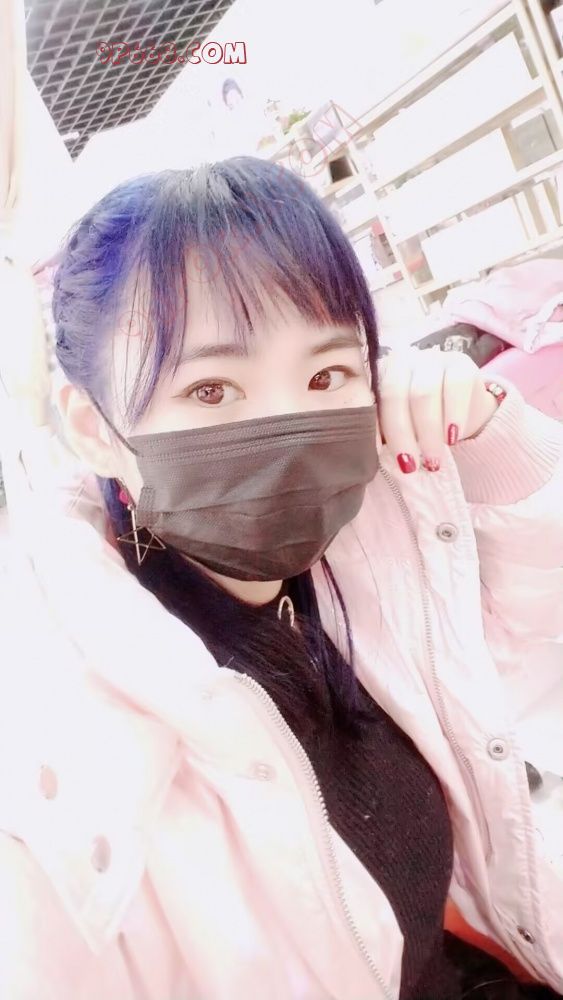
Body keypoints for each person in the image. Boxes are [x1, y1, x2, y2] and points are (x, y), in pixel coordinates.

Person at [0, 157, 561, 1000]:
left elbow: (529, 642)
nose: (286, 430)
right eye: (211, 388)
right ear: (95, 428)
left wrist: (489, 439)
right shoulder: (61, 766)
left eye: (326, 375)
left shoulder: (357, 559)